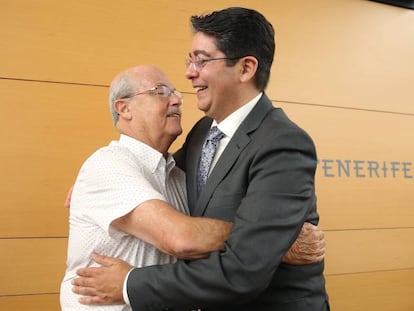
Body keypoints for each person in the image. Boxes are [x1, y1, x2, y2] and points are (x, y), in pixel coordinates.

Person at [62, 64, 325, 310]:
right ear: (124, 108)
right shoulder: (107, 165)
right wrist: (275, 239)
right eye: (160, 92)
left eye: (175, 92)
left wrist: (267, 240)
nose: (177, 99)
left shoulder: (176, 172)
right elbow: (183, 238)